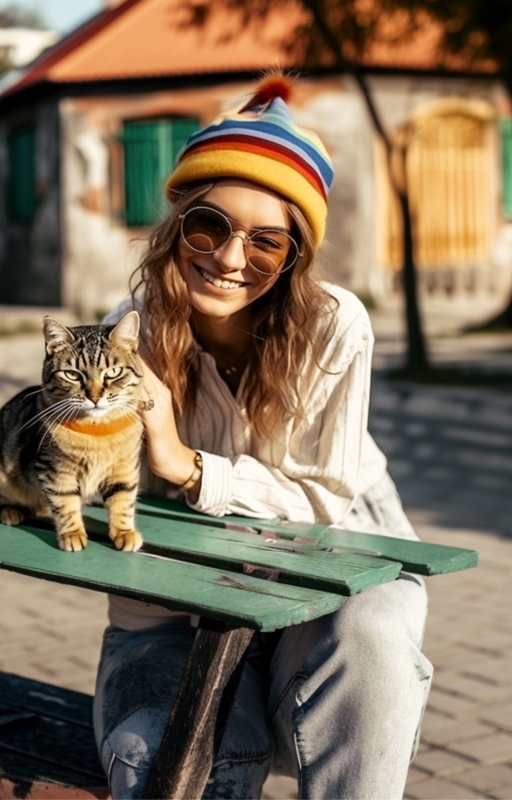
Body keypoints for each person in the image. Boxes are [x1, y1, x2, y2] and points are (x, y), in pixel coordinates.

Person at [94, 74, 432, 799]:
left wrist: (184, 465)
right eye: (209, 226)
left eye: (266, 241)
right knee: (166, 761)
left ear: (295, 256)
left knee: (373, 633)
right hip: (181, 610)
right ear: (177, 224)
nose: (229, 257)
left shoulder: (334, 326)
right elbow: (95, 506)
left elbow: (325, 500)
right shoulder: (130, 334)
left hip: (330, 588)